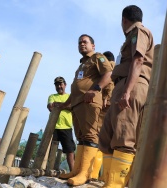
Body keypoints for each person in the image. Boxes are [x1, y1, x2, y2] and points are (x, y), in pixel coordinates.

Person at [98, 5, 154, 188]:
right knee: (106, 136)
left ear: (124, 20)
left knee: (124, 136)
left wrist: (127, 91)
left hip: (133, 85)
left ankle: (116, 184)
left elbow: (138, 60)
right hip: (121, 84)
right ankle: (108, 181)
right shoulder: (132, 35)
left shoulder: (138, 31)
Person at [56, 34, 113, 186]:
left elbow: (108, 74)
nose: (82, 44)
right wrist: (64, 104)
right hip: (77, 104)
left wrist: (96, 89)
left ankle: (85, 173)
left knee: (90, 136)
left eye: (85, 42)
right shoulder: (82, 64)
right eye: (79, 42)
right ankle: (77, 171)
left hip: (90, 102)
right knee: (81, 137)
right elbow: (76, 89)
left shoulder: (98, 57)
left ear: (93, 46)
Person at [89, 51, 115, 181]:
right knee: (111, 142)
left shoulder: (109, 65)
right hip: (116, 106)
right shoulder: (119, 66)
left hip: (107, 105)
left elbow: (109, 82)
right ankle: (106, 176)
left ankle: (93, 174)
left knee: (99, 139)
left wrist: (105, 97)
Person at [47, 76, 75, 172]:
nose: (59, 86)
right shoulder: (52, 96)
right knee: (49, 150)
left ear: (65, 85)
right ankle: (47, 169)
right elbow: (50, 107)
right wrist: (64, 105)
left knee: (70, 151)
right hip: (53, 127)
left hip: (66, 127)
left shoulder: (69, 96)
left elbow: (73, 107)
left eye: (61, 84)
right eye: (57, 85)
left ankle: (72, 172)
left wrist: (60, 105)